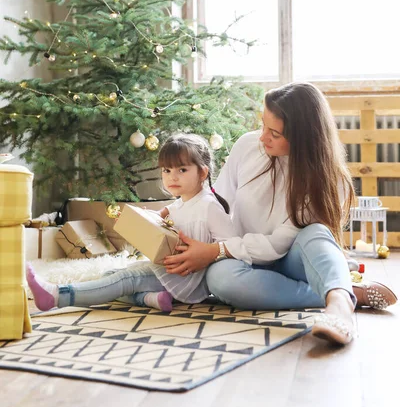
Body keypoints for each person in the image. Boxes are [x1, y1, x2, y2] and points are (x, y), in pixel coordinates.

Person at [162, 82, 397, 345]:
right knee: (219, 279)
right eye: (263, 125)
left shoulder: (328, 181)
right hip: (243, 259)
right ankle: (348, 291)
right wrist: (179, 217)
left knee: (316, 232)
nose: (263, 137)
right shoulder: (247, 146)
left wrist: (215, 251)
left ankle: (340, 305)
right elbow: (218, 202)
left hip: (294, 260)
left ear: (304, 138)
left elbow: (276, 246)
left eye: (274, 133)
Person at [27, 133, 235, 312]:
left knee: (125, 280)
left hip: (185, 278)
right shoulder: (179, 204)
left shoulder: (209, 206)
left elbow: (229, 245)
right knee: (111, 274)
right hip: (167, 271)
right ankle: (148, 298)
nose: (172, 177)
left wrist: (203, 257)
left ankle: (57, 296)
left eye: (182, 170)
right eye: (166, 170)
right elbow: (153, 219)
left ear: (203, 172)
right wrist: (136, 220)